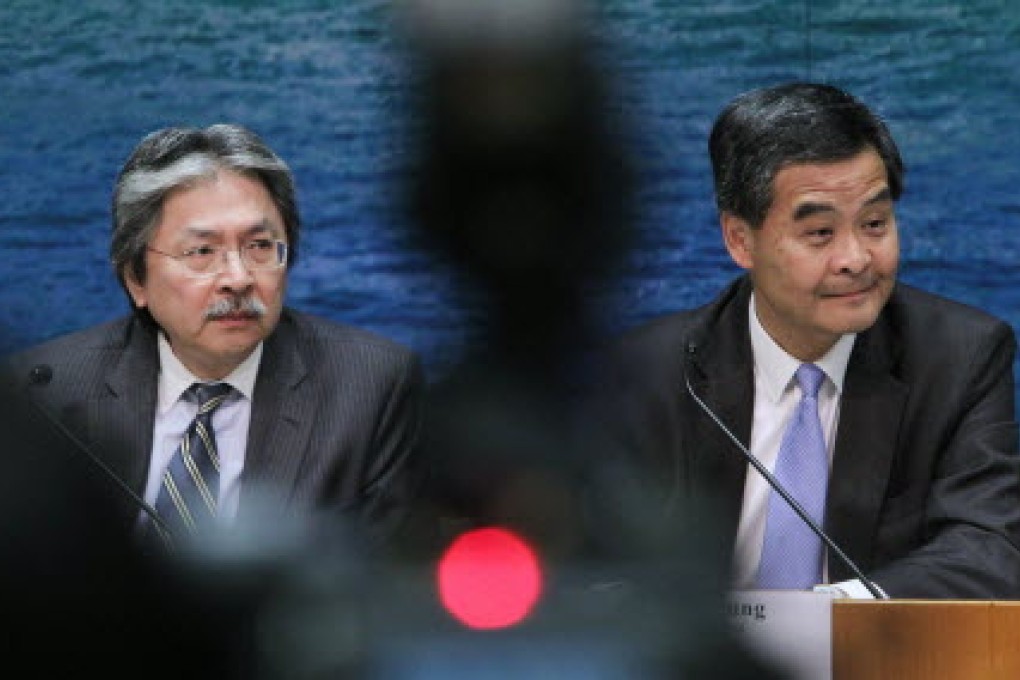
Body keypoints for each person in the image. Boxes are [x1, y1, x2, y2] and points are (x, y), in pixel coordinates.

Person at [598, 82, 1020, 599]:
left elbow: (989, 547)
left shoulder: (960, 357)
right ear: (740, 239)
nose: (856, 258)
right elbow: (595, 565)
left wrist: (835, 614)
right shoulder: (652, 372)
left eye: (874, 223)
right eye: (820, 233)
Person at [2, 123, 424, 556]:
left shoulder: (372, 387)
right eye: (201, 252)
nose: (238, 278)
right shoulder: (43, 392)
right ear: (136, 280)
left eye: (260, 246)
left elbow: (381, 575)